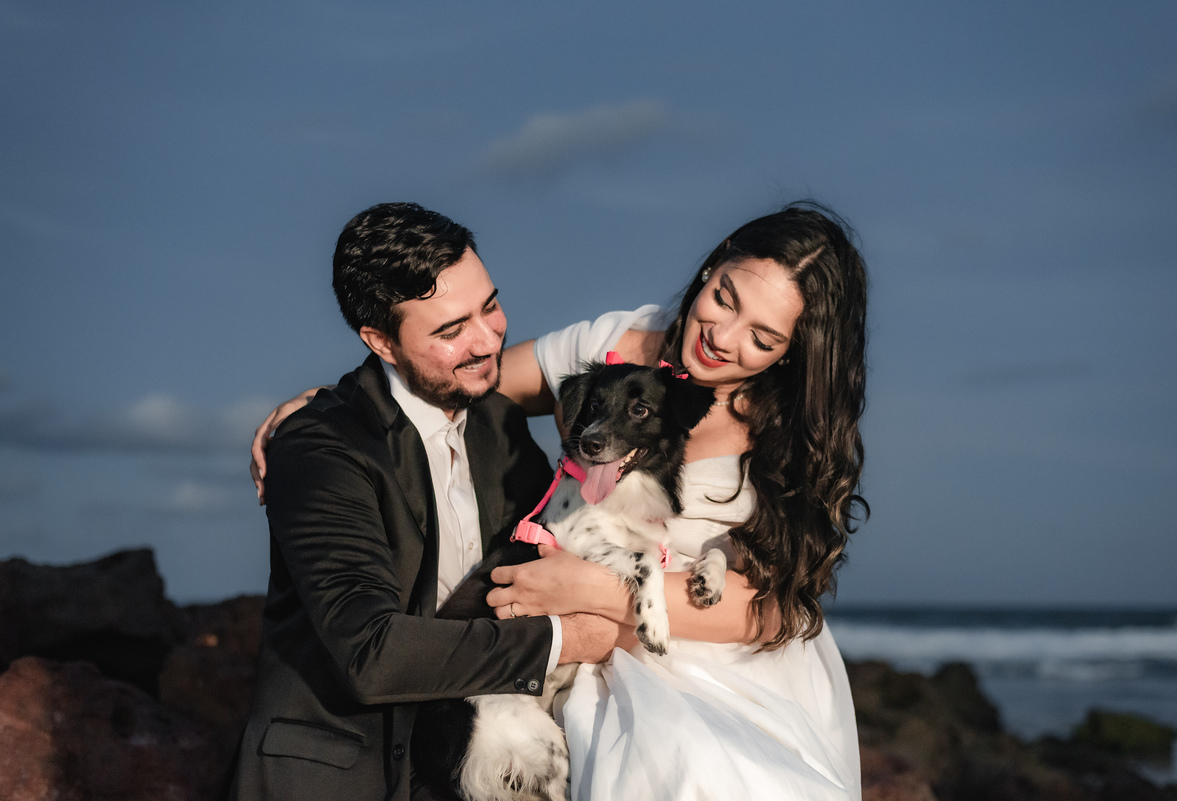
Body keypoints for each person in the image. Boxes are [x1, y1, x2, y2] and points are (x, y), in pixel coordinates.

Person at [252, 201, 868, 800]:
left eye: (762, 337)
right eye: (724, 299)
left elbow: (774, 612)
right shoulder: (616, 343)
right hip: (593, 648)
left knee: (702, 768)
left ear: (795, 350)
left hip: (723, 656)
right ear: (714, 265)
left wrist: (599, 600)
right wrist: (332, 403)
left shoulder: (798, 432)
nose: (722, 337)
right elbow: (465, 376)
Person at [230, 202, 622, 801]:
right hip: (335, 777)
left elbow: (546, 554)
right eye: (450, 330)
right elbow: (372, 654)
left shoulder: (499, 422)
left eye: (489, 306)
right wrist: (564, 640)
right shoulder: (319, 445)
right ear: (380, 341)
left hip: (468, 765)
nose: (488, 340)